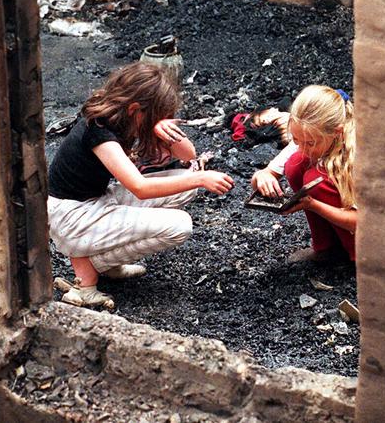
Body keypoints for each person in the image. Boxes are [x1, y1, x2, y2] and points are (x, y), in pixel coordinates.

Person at [47, 62, 234, 309]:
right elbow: (139, 187)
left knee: (185, 186)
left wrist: (162, 128)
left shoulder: (122, 117)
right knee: (180, 225)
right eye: (158, 115)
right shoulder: (99, 131)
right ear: (136, 109)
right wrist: (199, 177)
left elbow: (188, 156)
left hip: (96, 200)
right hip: (71, 215)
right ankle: (88, 277)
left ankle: (107, 264)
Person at [251, 85, 356, 263]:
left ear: (337, 132)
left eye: (310, 143)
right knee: (295, 164)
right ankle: (327, 248)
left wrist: (313, 205)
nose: (303, 148)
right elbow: (264, 174)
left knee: (317, 178)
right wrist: (263, 178)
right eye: (297, 140)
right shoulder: (308, 133)